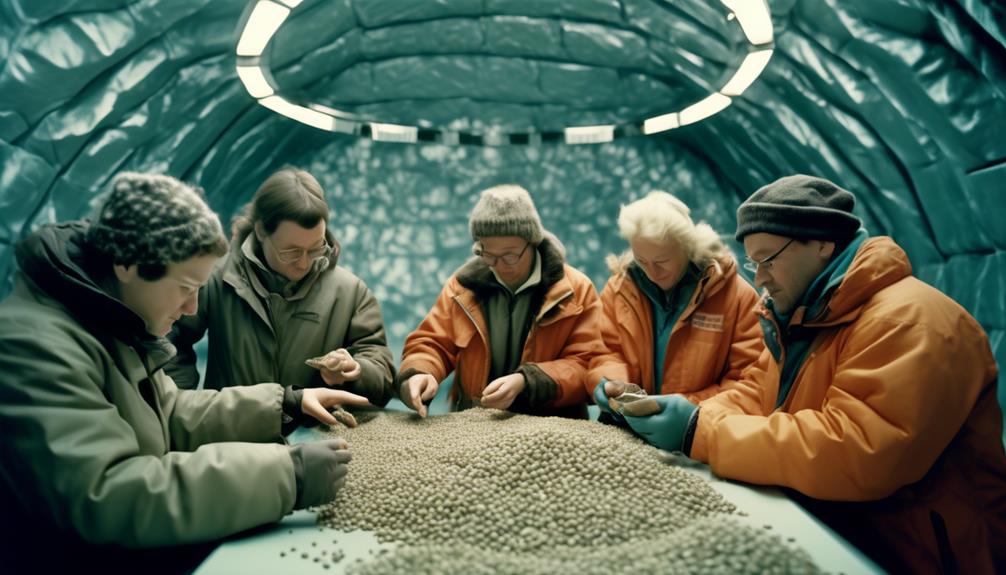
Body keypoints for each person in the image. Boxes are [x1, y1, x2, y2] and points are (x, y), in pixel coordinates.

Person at [619, 174, 1006, 573]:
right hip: (852, 536)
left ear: (823, 242)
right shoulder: (810, 315)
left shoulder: (910, 321)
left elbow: (857, 448)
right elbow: (759, 393)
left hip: (926, 554)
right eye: (753, 263)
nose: (761, 278)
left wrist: (701, 432)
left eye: (769, 259)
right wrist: (688, 412)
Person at [0, 173, 369, 572]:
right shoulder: (32, 347)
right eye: (186, 286)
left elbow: (170, 413)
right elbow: (106, 494)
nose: (193, 308)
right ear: (128, 264)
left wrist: (287, 403)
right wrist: (287, 474)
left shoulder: (109, 322)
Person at [166, 168, 395, 406]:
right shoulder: (215, 278)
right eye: (291, 252)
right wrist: (182, 403)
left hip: (316, 437)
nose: (304, 263)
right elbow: (168, 338)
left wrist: (356, 370)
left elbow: (383, 375)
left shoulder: (351, 293)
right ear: (261, 230)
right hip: (232, 436)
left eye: (316, 248)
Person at [398, 184, 602, 418]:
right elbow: (433, 342)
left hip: (553, 427)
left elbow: (588, 363)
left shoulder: (575, 289)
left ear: (532, 241)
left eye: (510, 255)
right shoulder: (461, 287)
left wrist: (527, 381)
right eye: (488, 254)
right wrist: (421, 373)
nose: (499, 265)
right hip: (474, 423)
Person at [587, 191, 763, 423]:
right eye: (641, 260)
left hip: (700, 432)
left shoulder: (737, 297)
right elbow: (603, 352)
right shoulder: (618, 291)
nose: (651, 272)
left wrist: (687, 412)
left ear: (688, 248)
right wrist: (611, 384)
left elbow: (748, 381)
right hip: (625, 426)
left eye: (662, 261)